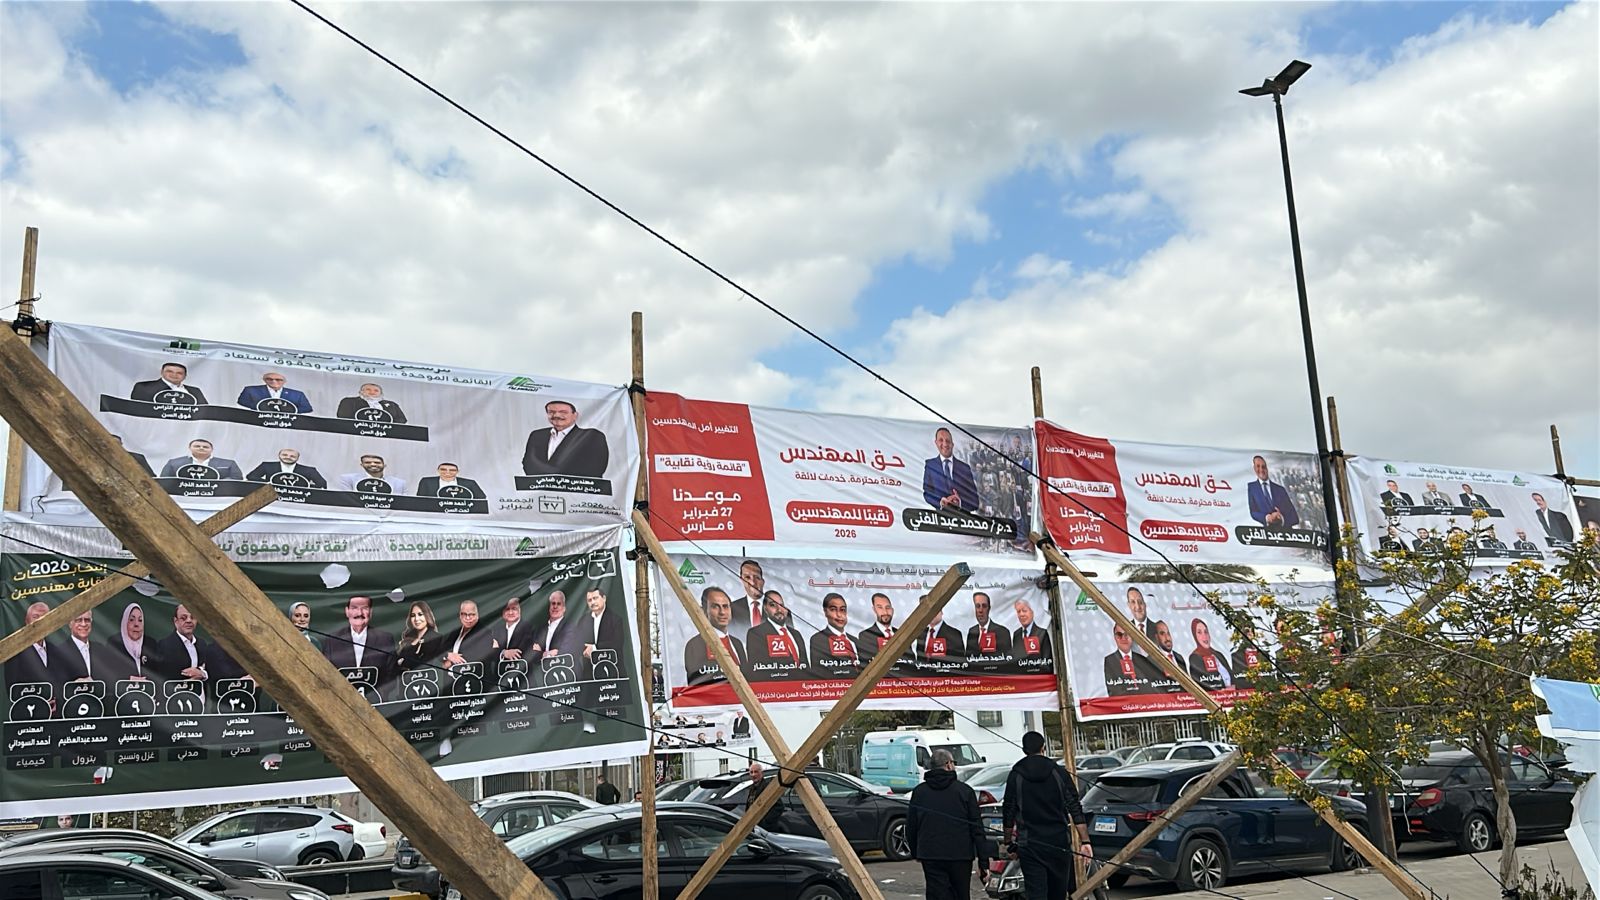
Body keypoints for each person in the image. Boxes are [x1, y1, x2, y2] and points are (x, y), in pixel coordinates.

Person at [1002, 731, 1090, 900]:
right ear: (1044, 747)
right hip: (1059, 843)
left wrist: (1008, 842)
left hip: (1030, 844)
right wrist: (1085, 840)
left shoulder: (1016, 775)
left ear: (1024, 750)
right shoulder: (1058, 772)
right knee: (1058, 893)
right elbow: (1074, 806)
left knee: (1036, 893)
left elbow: (1009, 810)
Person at [908, 748, 990, 900]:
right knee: (961, 894)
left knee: (936, 894)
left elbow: (911, 826)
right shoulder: (964, 791)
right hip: (960, 854)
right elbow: (977, 828)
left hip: (930, 853)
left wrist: (915, 852)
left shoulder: (920, 792)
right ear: (948, 765)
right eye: (953, 763)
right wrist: (983, 861)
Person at [322, 595, 397, 688]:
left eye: (365, 608)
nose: (359, 613)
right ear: (347, 611)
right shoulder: (332, 641)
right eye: (354, 608)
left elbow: (391, 677)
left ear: (371, 612)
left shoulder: (385, 639)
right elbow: (326, 675)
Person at [522, 400, 609, 478]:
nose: (556, 415)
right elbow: (529, 463)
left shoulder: (592, 436)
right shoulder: (537, 435)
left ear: (575, 415)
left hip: (577, 489)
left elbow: (595, 468)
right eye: (551, 412)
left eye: (563, 412)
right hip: (540, 488)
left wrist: (553, 476)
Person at [744, 590, 808, 679]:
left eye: (781, 605)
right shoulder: (755, 634)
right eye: (773, 605)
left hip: (800, 686)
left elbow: (806, 668)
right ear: (765, 608)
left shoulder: (796, 635)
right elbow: (758, 670)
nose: (779, 609)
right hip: (775, 685)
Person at [686, 587, 746, 683]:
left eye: (725, 606)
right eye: (715, 607)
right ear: (703, 611)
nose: (722, 612)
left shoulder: (737, 643)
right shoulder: (695, 645)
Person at [922, 427, 979, 512]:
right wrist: (940, 502)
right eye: (941, 440)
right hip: (940, 517)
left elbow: (975, 501)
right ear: (936, 443)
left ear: (952, 444)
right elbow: (927, 494)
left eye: (948, 441)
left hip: (961, 517)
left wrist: (960, 503)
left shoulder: (965, 468)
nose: (945, 444)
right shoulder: (930, 465)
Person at [5, 602, 59, 692]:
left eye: (44, 617)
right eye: (35, 617)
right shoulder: (16, 652)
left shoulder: (55, 651)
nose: (40, 621)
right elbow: (13, 689)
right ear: (27, 621)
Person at [102, 602, 160, 684]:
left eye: (140, 620)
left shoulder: (151, 644)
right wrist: (128, 679)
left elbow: (158, 675)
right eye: (132, 620)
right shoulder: (114, 643)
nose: (136, 624)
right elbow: (108, 673)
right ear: (125, 622)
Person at [56, 609, 111, 694]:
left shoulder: (100, 649)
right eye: (78, 620)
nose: (83, 624)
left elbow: (108, 680)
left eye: (87, 620)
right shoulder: (60, 651)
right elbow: (57, 684)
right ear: (70, 624)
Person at [808, 592, 860, 678]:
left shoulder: (855, 641)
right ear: (825, 612)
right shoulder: (818, 640)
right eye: (833, 610)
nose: (839, 615)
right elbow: (819, 674)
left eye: (842, 610)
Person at [155, 604, 211, 683]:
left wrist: (202, 673)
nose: (189, 621)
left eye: (192, 617)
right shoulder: (164, 645)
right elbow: (164, 674)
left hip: (200, 690)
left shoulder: (202, 644)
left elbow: (209, 669)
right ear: (176, 621)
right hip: (178, 690)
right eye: (183, 618)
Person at [580, 588, 626, 680]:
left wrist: (594, 648)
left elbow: (617, 643)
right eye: (589, 600)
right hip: (589, 675)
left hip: (612, 673)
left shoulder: (615, 619)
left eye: (595, 598)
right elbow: (577, 641)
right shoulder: (583, 621)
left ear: (604, 598)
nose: (593, 602)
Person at [1102, 624, 1159, 696]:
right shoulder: (1110, 660)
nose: (1123, 638)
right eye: (1119, 635)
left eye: (1127, 634)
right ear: (1115, 637)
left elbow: (1149, 686)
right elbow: (1114, 690)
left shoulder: (1141, 659)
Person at [1246, 455, 1300, 528]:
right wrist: (1267, 517)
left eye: (1263, 466)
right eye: (1258, 466)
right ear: (1254, 469)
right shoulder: (1252, 488)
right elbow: (1253, 512)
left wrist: (1281, 518)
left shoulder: (1280, 489)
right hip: (1268, 533)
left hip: (1286, 532)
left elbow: (1294, 517)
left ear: (1267, 468)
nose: (1261, 469)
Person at [159, 439, 243, 480]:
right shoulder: (174, 463)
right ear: (189, 448)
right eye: (197, 446)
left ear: (212, 449)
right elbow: (164, 480)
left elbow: (238, 480)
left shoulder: (229, 464)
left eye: (205, 447)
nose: (201, 448)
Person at [441, 600, 491, 669]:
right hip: (451, 675)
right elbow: (441, 650)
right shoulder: (455, 633)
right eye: (464, 614)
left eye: (471, 614)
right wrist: (448, 655)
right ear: (460, 615)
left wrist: (450, 662)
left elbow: (475, 655)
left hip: (472, 674)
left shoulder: (484, 632)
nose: (467, 618)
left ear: (477, 615)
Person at [396, 601, 443, 673]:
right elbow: (396, 663)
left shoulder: (436, 638)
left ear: (427, 616)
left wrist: (403, 662)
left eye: (420, 614)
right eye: (413, 615)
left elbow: (423, 664)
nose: (416, 619)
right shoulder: (407, 638)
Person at [1186, 618, 1232, 691]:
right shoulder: (1195, 658)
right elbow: (1202, 684)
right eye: (1199, 632)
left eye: (1206, 632)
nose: (1204, 636)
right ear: (1195, 636)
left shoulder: (1218, 655)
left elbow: (1232, 677)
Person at [966, 591, 1012, 663]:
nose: (980, 610)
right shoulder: (972, 631)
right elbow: (968, 659)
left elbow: (1008, 660)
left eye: (984, 606)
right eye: (977, 606)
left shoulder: (1003, 632)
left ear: (989, 608)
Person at [246, 448, 327, 488]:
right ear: (279, 455)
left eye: (292, 456)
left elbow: (322, 484)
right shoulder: (267, 466)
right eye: (284, 455)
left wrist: (305, 487)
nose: (288, 457)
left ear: (298, 458)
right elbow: (251, 476)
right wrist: (269, 484)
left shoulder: (309, 470)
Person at [130, 362, 207, 404]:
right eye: (169, 371)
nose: (174, 375)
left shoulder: (195, 391)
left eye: (179, 373)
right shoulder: (143, 387)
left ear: (185, 376)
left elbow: (205, 412)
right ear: (161, 372)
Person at [914, 603, 964, 667]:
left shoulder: (954, 634)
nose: (931, 614)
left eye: (934, 610)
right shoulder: (921, 634)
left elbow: (959, 661)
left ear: (941, 612)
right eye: (928, 611)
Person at [237, 371, 313, 413]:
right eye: (269, 379)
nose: (273, 381)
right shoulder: (250, 390)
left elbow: (307, 408)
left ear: (284, 381)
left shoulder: (297, 394)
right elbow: (242, 402)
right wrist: (263, 407)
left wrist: (288, 410)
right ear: (264, 380)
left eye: (278, 379)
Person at [491, 596, 535, 663]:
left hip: (521, 668)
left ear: (519, 611)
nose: (510, 612)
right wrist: (504, 653)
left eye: (514, 609)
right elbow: (490, 653)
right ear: (503, 613)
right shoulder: (496, 630)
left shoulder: (528, 628)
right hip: (500, 669)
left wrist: (500, 651)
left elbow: (523, 651)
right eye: (507, 609)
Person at [1149, 621, 1191, 690]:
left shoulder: (1179, 657)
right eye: (1162, 634)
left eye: (1168, 633)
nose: (1167, 638)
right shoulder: (1152, 659)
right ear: (1156, 637)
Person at [336, 383, 408, 423]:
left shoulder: (392, 405)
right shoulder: (349, 401)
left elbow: (402, 419)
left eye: (376, 390)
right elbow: (343, 417)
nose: (372, 392)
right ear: (361, 392)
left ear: (381, 393)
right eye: (368, 389)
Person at [338, 454, 408, 494]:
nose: (373, 464)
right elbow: (347, 499)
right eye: (367, 462)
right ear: (362, 465)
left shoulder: (400, 483)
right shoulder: (348, 479)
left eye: (377, 462)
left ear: (384, 465)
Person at [1012, 599, 1052, 668]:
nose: (1021, 614)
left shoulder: (1042, 633)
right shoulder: (1016, 634)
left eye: (1024, 611)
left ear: (1032, 613)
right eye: (1018, 612)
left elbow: (1047, 663)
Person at [729, 559, 766, 630]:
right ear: (742, 580)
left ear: (762, 581)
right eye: (747, 577)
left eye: (757, 577)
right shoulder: (731, 609)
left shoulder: (779, 609)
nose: (753, 583)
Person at [416, 462, 485, 499]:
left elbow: (481, 499)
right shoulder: (426, 482)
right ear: (438, 470)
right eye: (443, 469)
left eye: (452, 470)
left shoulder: (470, 483)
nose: (447, 472)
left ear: (457, 472)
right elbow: (420, 499)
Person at [1124, 587, 1157, 653]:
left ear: (1145, 604)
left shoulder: (1158, 629)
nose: (1138, 606)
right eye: (1133, 602)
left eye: (1140, 602)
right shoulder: (1125, 631)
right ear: (1129, 605)